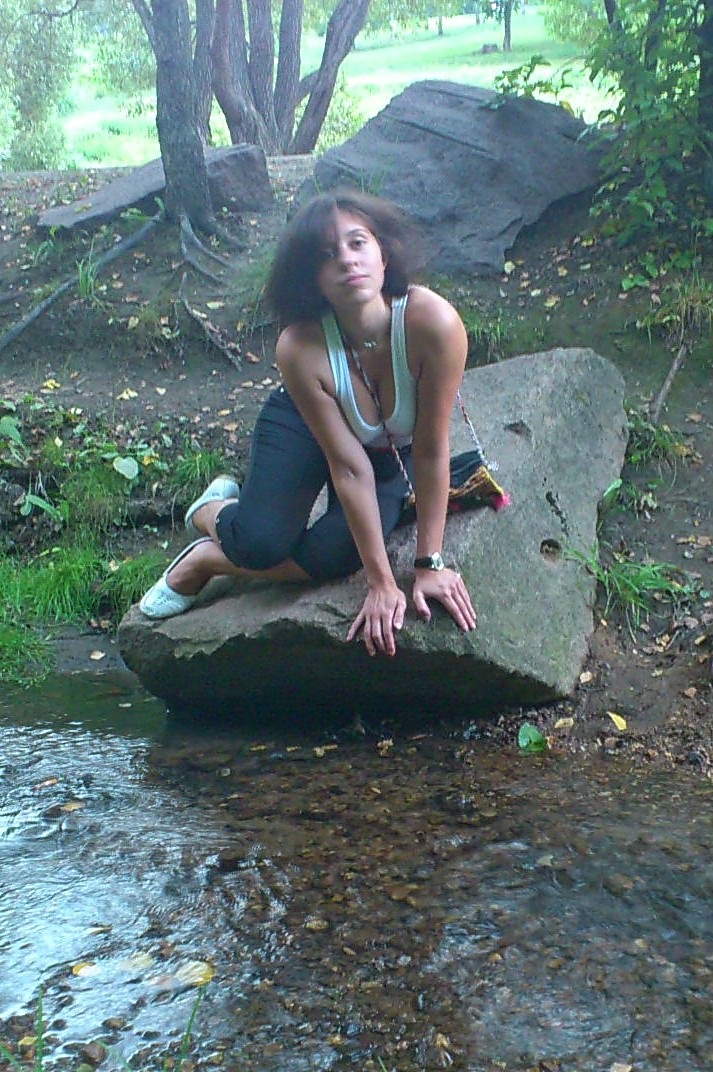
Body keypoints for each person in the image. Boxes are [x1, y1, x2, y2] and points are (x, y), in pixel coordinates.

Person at [139, 188, 487, 657]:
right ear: (313, 279)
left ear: (383, 254)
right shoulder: (299, 346)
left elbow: (429, 449)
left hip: (387, 447)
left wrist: (428, 564)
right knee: (258, 543)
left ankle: (210, 559)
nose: (346, 260)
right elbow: (348, 468)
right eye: (326, 254)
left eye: (357, 243)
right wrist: (382, 583)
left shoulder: (433, 323)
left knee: (336, 555)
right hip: (303, 425)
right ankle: (212, 511)